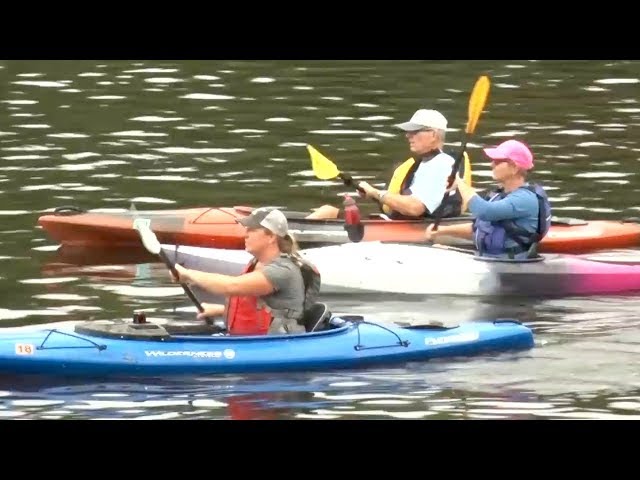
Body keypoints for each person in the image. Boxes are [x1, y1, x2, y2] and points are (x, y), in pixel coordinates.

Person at [172, 208, 321, 335]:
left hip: (280, 344)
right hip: (251, 341)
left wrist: (188, 274)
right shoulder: (256, 263)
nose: (246, 234)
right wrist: (221, 310)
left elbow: (231, 287)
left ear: (271, 236)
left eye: (252, 230)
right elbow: (263, 308)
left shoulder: (283, 270)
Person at [306, 108, 469, 220]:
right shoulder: (425, 163)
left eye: (414, 131)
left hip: (414, 231)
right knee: (326, 211)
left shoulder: (440, 165)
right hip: (400, 225)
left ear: (433, 135)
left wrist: (378, 193)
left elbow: (415, 207)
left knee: (325, 213)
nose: (408, 135)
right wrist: (374, 195)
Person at [424, 139, 552, 259]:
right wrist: (441, 231)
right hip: (490, 259)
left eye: (497, 161)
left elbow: (485, 211)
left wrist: (459, 182)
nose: (491, 164)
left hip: (511, 264)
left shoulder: (525, 199)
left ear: (514, 168)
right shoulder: (500, 195)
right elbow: (479, 227)